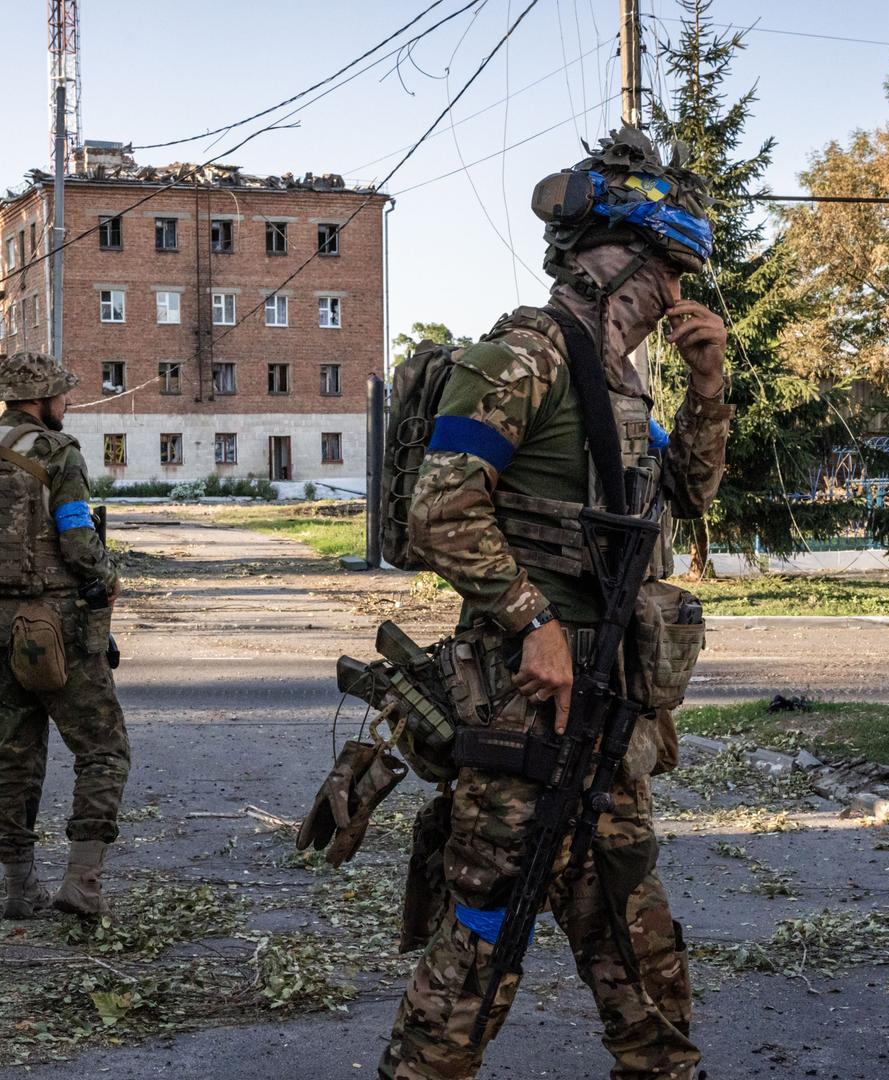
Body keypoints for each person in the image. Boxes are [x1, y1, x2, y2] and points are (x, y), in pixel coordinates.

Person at [379, 126, 733, 1080]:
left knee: (639, 943)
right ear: (612, 260)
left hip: (605, 712)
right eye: (663, 273)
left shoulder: (620, 384)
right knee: (482, 940)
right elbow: (436, 511)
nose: (670, 298)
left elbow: (683, 499)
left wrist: (709, 387)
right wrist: (533, 621)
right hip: (525, 709)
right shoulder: (523, 358)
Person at [0, 352, 126, 919]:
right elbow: (76, 540)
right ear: (41, 400)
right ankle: (82, 885)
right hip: (58, 628)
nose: (66, 403)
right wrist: (107, 578)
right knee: (103, 750)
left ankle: (19, 888)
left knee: (13, 757)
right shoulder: (58, 453)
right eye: (62, 394)